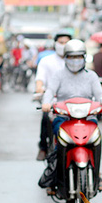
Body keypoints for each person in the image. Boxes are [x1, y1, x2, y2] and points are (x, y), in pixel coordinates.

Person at [41, 39, 102, 195]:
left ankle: (97, 174)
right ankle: (55, 177)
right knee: (58, 139)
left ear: (84, 57)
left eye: (78, 57)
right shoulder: (58, 75)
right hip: (64, 117)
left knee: (96, 139)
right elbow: (49, 91)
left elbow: (100, 95)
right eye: (71, 57)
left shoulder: (91, 76)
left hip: (87, 117)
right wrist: (46, 103)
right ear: (65, 57)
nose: (75, 60)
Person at [34, 31, 72, 161]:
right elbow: (40, 80)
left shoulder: (75, 62)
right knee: (46, 117)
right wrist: (40, 89)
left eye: (66, 42)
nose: (63, 45)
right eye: (61, 42)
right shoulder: (46, 61)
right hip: (52, 101)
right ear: (55, 44)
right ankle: (43, 147)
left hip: (74, 102)